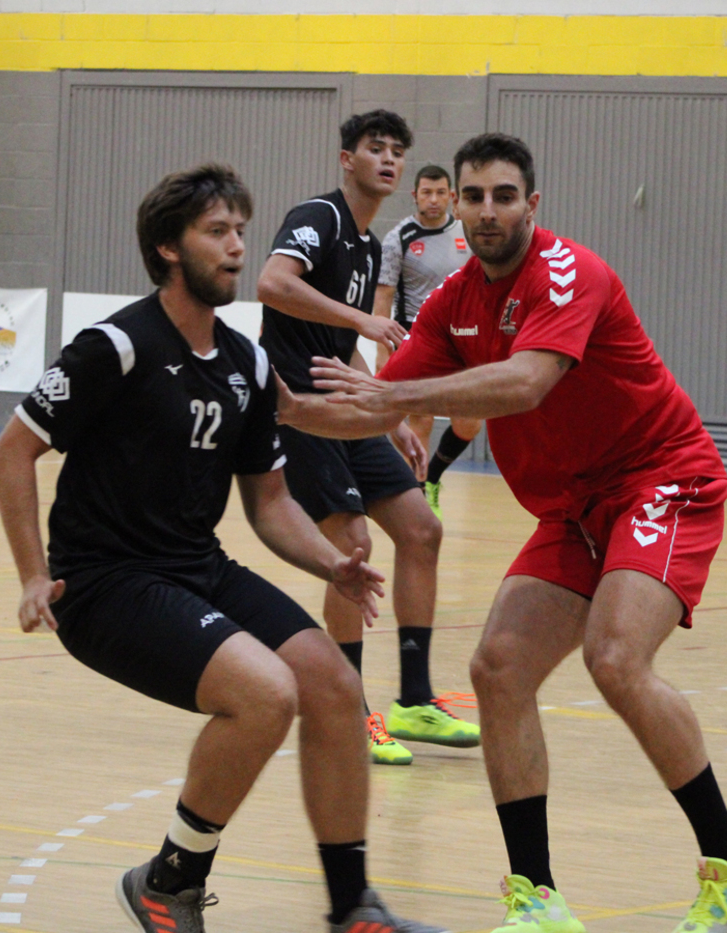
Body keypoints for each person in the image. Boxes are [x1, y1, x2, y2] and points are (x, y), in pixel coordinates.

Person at [283, 133, 727, 933]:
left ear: (532, 204)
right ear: (455, 207)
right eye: (474, 196)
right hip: (575, 508)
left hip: (660, 478)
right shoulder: (452, 302)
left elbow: (524, 383)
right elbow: (373, 404)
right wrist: (282, 409)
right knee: (499, 668)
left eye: (504, 196)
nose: (487, 211)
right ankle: (538, 898)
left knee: (616, 657)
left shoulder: (569, 272)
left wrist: (398, 398)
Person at [0, 164, 447, 933]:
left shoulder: (246, 363)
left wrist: (331, 563)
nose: (237, 246)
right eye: (217, 232)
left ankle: (353, 908)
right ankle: (168, 882)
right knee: (266, 694)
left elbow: (270, 503)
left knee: (335, 685)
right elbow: (11, 451)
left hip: (196, 568)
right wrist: (33, 574)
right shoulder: (116, 346)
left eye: (240, 230)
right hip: (104, 583)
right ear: (169, 248)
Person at [256, 111, 478, 765]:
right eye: (375, 148)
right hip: (300, 412)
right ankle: (347, 707)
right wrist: (361, 320)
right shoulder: (320, 217)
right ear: (346, 159)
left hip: (348, 407)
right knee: (352, 546)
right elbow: (272, 283)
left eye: (396, 151)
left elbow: (339, 347)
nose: (388, 159)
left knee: (422, 529)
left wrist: (389, 413)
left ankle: (413, 698)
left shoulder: (366, 243)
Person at [375, 163, 484, 520]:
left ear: (451, 196)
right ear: (415, 195)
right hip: (416, 337)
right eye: (426, 193)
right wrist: (381, 350)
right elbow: (383, 295)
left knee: (470, 422)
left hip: (463, 338)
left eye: (440, 193)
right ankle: (417, 497)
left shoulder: (467, 233)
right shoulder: (398, 238)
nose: (433, 200)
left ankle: (433, 476)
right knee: (419, 420)